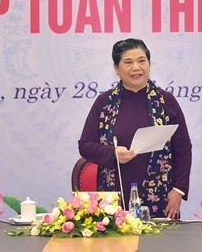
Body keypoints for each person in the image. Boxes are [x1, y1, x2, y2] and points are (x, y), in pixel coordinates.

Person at [78, 38, 193, 219]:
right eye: (128, 62)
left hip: (161, 197)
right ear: (116, 68)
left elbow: (183, 149)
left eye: (142, 61)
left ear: (149, 64)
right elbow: (85, 145)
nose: (136, 68)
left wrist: (178, 190)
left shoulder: (166, 101)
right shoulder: (104, 103)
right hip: (113, 198)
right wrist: (113, 153)